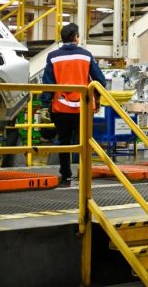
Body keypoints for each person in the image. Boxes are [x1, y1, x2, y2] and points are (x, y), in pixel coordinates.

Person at [40, 23, 106, 187]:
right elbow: (100, 80)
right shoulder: (86, 55)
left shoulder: (53, 56)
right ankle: (84, 174)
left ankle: (66, 176)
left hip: (61, 108)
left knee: (63, 142)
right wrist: (97, 99)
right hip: (84, 107)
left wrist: (45, 105)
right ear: (76, 37)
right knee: (85, 142)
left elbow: (48, 83)